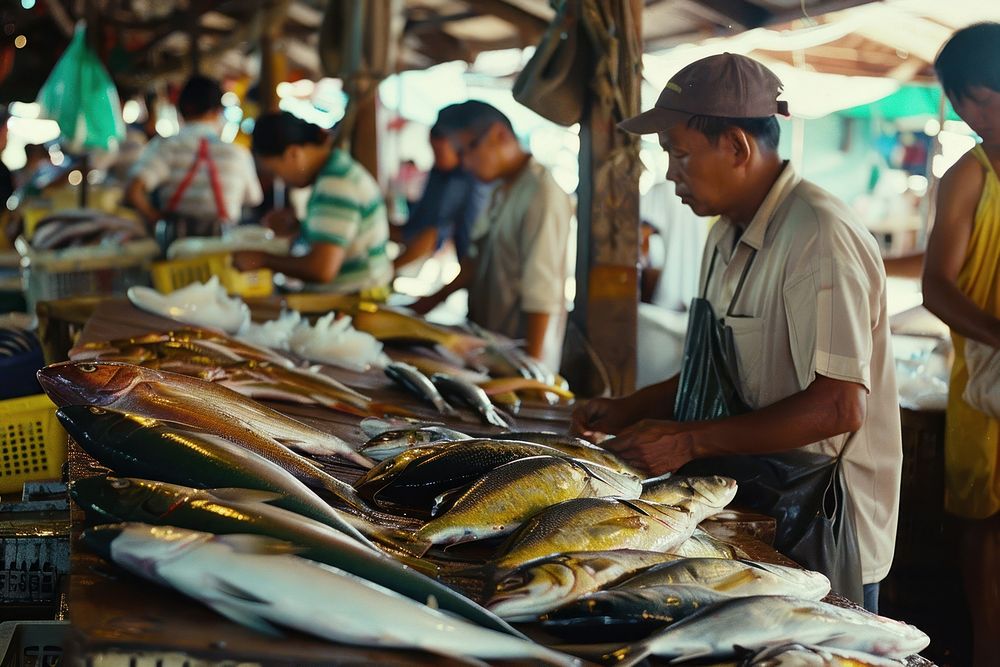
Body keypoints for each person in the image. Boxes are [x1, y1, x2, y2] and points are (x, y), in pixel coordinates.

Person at [571, 53, 902, 613]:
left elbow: (839, 407)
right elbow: (716, 372)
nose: (671, 173)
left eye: (679, 154)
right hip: (752, 496)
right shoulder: (723, 233)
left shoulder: (819, 236)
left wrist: (687, 440)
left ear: (737, 147)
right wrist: (628, 408)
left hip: (821, 519)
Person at [921, 23, 1000, 666]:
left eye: (982, 97)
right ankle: (985, 647)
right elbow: (938, 289)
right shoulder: (967, 177)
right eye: (964, 101)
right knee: (982, 519)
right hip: (984, 376)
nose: (974, 115)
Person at [411, 101, 572, 371]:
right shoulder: (499, 189)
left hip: (519, 358)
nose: (463, 163)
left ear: (499, 135)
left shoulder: (541, 194)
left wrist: (531, 372)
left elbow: (542, 293)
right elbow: (473, 265)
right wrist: (420, 309)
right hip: (487, 348)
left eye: (466, 150)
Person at [232, 112, 392, 294]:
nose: (281, 181)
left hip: (354, 301)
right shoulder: (336, 170)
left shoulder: (335, 183)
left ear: (293, 154)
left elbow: (322, 269)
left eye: (276, 171)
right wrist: (301, 229)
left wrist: (261, 260)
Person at [127, 75, 262, 235]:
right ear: (217, 111)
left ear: (182, 109)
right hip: (223, 249)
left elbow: (133, 191)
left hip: (177, 249)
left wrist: (155, 218)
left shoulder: (167, 146)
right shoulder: (238, 153)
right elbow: (254, 198)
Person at [392, 116, 491, 270]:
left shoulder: (461, 180)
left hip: (471, 262)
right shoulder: (439, 173)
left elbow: (431, 236)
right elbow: (412, 229)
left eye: (438, 152)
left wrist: (386, 270)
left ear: (458, 147)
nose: (435, 158)